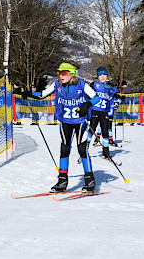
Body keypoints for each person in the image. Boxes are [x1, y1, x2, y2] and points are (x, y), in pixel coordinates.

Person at [20, 61, 100, 192]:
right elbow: (42, 94)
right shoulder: (57, 84)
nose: (61, 76)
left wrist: (87, 105)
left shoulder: (81, 85)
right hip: (65, 121)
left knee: (82, 149)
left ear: (72, 74)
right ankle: (62, 180)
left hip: (80, 121)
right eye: (59, 73)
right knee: (64, 150)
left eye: (64, 73)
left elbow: (96, 98)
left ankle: (89, 180)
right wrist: (28, 93)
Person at [87, 67, 124, 160]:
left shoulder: (111, 86)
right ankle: (85, 150)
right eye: (100, 75)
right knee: (92, 130)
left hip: (105, 112)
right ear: (98, 76)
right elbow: (86, 93)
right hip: (95, 110)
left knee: (105, 132)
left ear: (107, 76)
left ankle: (106, 152)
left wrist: (119, 99)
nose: (102, 77)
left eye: (104, 75)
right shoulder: (94, 84)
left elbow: (117, 96)